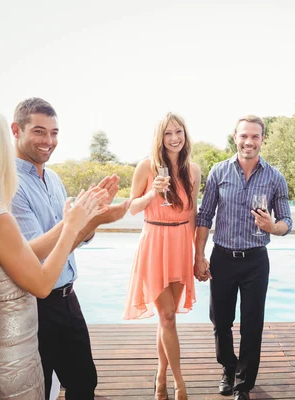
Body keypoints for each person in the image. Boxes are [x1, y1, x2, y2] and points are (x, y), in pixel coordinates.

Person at [0, 106, 105, 399]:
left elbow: (15, 254)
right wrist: (70, 225)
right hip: (10, 353)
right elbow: (40, 284)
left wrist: (79, 221)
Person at [10, 97, 130, 399]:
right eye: (39, 131)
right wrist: (86, 218)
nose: (48, 141)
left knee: (83, 382)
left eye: (54, 132)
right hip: (35, 306)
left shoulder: (53, 179)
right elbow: (32, 257)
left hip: (67, 298)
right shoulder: (10, 185)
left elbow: (70, 242)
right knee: (40, 389)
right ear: (16, 130)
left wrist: (93, 218)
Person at [194, 115, 293, 400]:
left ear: (263, 139)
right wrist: (198, 256)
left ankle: (243, 385)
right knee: (220, 320)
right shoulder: (218, 172)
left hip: (255, 261)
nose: (249, 142)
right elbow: (205, 215)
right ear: (235, 137)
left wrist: (272, 227)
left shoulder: (275, 177)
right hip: (222, 257)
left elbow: (287, 219)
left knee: (252, 323)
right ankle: (227, 367)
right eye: (244, 136)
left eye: (255, 137)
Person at [123, 112, 200, 400]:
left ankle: (160, 377)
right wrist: (152, 194)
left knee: (166, 319)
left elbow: (191, 213)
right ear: (160, 137)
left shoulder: (193, 170)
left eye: (178, 131)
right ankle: (179, 384)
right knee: (167, 316)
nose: (174, 138)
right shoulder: (146, 166)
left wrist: (196, 255)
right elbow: (132, 207)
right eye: (168, 133)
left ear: (185, 134)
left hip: (180, 242)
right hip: (155, 241)